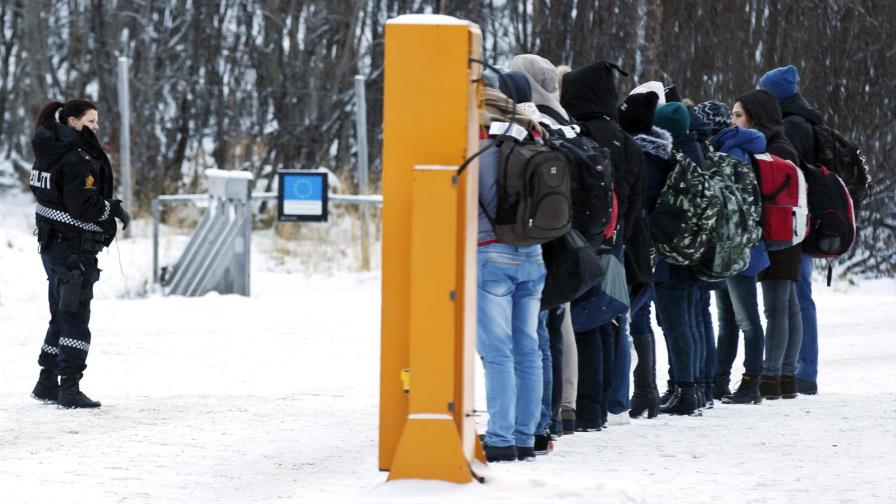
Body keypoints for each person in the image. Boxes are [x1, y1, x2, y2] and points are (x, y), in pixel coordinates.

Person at [560, 61, 646, 426]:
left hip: (586, 242)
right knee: (611, 320)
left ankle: (585, 404)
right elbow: (636, 198)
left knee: (581, 324)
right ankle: (610, 402)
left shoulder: (580, 134)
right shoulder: (626, 140)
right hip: (619, 243)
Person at [29, 99, 130, 409]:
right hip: (72, 250)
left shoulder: (49, 151)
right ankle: (69, 387)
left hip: (52, 246)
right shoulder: (76, 158)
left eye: (97, 121)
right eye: (91, 121)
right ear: (72, 122)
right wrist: (110, 208)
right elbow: (82, 206)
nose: (96, 127)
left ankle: (47, 381)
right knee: (74, 315)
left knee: (61, 312)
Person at [476, 75, 547, 462]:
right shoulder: (531, 139)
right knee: (529, 349)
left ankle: (500, 438)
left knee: (497, 352)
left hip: (491, 256)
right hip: (533, 256)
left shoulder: (478, 149)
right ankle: (525, 435)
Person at [732, 89, 803, 400]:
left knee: (778, 307)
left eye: (738, 115)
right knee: (787, 306)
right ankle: (786, 375)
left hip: (777, 233)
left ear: (755, 116)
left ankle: (772, 377)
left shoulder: (772, 148)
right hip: (786, 232)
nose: (732, 121)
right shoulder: (781, 143)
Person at [759, 65, 821, 395]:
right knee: (797, 298)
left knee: (797, 298)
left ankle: (801, 370)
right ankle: (799, 369)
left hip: (796, 220)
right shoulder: (805, 120)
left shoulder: (792, 126)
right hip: (806, 217)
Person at [706, 117, 771, 405]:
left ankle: (750, 382)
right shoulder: (738, 150)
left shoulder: (731, 155)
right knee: (729, 320)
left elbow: (732, 208)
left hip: (737, 251)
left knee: (746, 320)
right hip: (740, 248)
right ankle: (722, 380)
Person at [651, 102, 703, 415]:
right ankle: (693, 386)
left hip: (673, 252)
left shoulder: (672, 158)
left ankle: (683, 388)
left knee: (675, 324)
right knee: (689, 320)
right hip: (694, 248)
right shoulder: (696, 151)